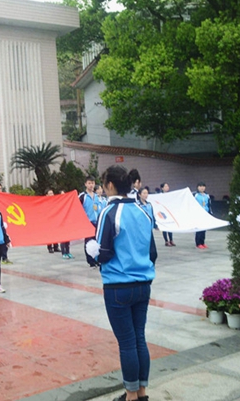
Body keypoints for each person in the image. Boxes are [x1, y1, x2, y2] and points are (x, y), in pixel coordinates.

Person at [94, 165, 156, 401]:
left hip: (118, 286)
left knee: (127, 343)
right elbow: (152, 252)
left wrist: (91, 253)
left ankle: (130, 396)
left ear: (110, 185)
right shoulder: (143, 210)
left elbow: (103, 253)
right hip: (143, 284)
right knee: (139, 338)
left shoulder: (109, 211)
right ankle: (141, 393)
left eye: (103, 184)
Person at [80, 177, 102, 267]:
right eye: (89, 183)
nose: (91, 185)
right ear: (85, 184)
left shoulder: (96, 196)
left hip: (97, 222)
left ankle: (96, 259)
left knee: (96, 241)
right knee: (88, 242)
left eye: (92, 183)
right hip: (88, 222)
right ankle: (90, 261)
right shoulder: (83, 196)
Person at [0, 182, 13, 264]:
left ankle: (4, 257)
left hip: (4, 223)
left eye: (0, 188)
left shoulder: (4, 199)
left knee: (5, 239)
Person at [194, 182, 212, 249]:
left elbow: (209, 205)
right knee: (199, 229)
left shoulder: (207, 195)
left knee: (204, 229)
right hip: (198, 214)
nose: (202, 188)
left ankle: (202, 242)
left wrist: (210, 213)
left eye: (203, 186)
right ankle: (198, 243)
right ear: (198, 187)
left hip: (205, 213)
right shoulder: (195, 195)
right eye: (200, 186)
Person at [45, 189, 60, 254]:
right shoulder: (45, 202)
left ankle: (56, 246)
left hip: (55, 219)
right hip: (48, 220)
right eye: (50, 193)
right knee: (49, 234)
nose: (52, 194)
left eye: (52, 193)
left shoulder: (55, 201)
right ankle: (50, 247)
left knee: (55, 233)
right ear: (47, 195)